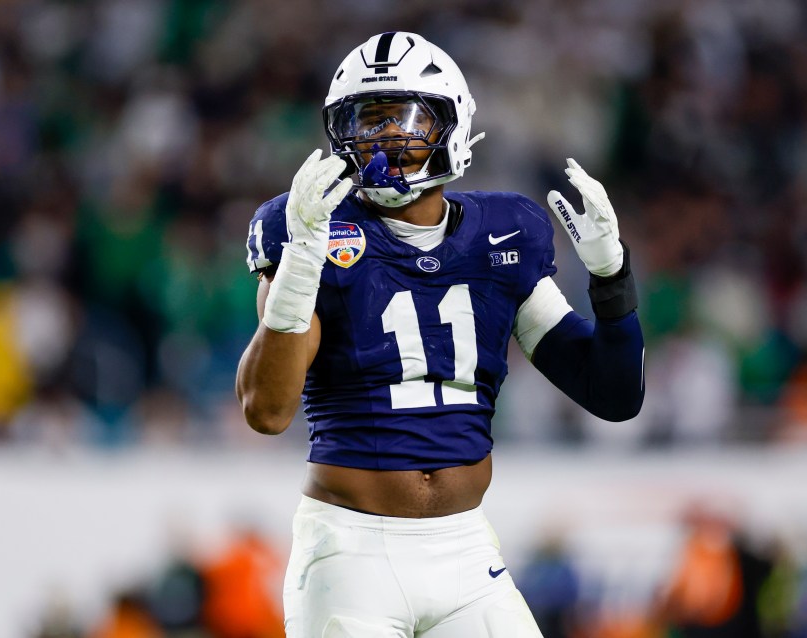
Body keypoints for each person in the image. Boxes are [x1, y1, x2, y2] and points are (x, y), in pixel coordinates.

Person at [236, 31, 645, 637]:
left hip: (464, 550)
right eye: (366, 121)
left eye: (405, 118)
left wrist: (612, 278)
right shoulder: (310, 229)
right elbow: (266, 410)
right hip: (350, 552)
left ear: (452, 124)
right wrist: (301, 259)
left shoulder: (504, 234)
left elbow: (613, 396)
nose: (386, 138)